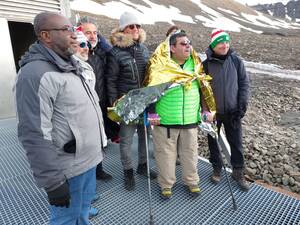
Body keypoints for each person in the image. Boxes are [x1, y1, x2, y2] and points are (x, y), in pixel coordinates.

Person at [15, 12, 106, 224]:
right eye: (66, 29)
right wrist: (53, 182)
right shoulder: (35, 74)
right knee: (66, 219)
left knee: (82, 212)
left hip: (88, 160)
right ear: (46, 36)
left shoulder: (70, 63)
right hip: (68, 168)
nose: (74, 34)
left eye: (73, 29)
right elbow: (34, 133)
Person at [145, 30, 206, 199]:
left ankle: (191, 181)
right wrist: (151, 113)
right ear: (172, 48)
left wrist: (206, 110)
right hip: (166, 120)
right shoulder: (161, 65)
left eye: (189, 43)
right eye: (183, 44)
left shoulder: (196, 63)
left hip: (190, 119)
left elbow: (204, 89)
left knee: (191, 153)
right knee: (165, 154)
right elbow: (151, 90)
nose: (188, 46)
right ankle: (166, 184)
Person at [106, 11, 157, 191]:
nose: (135, 29)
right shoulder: (115, 52)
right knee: (126, 139)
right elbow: (111, 80)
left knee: (145, 136)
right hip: (126, 103)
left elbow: (149, 76)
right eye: (131, 26)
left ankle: (142, 166)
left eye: (137, 26)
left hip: (143, 101)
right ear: (123, 29)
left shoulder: (143, 49)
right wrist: (115, 104)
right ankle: (128, 171)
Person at [203, 28, 250, 191]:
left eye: (227, 42)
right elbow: (202, 89)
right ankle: (216, 168)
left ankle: (238, 171)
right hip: (213, 114)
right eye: (221, 42)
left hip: (233, 111)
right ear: (213, 45)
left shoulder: (236, 61)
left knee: (236, 143)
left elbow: (244, 84)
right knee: (213, 142)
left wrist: (241, 107)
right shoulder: (206, 65)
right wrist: (205, 110)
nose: (225, 45)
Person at [77, 16, 120, 182]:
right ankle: (89, 174)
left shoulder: (101, 52)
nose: (93, 36)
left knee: (100, 139)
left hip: (100, 103)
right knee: (88, 142)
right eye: (88, 33)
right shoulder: (78, 55)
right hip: (84, 107)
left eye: (95, 33)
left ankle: (98, 170)